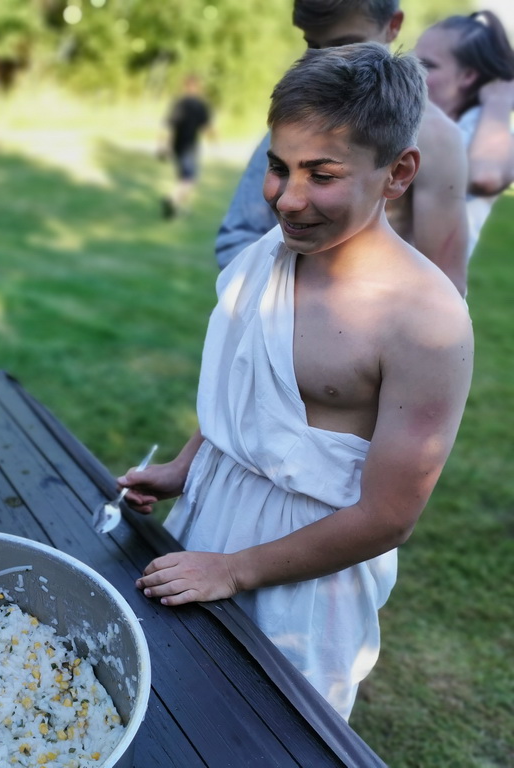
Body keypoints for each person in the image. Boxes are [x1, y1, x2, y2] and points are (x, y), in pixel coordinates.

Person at [118, 43, 473, 720]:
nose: (288, 198)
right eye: (279, 167)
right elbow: (247, 388)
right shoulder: (271, 255)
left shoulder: (426, 323)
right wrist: (187, 467)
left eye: (322, 174)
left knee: (267, 730)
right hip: (210, 519)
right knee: (171, 703)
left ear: (398, 173)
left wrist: (235, 570)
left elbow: (389, 516)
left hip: (310, 580)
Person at [213, 0, 470, 298]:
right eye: (313, 45)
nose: (326, 59)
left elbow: (447, 285)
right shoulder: (295, 122)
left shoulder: (437, 139)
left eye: (345, 44)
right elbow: (239, 234)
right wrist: (279, 309)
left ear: (393, 26)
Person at [414, 10, 514, 259]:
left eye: (427, 65)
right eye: (412, 61)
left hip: (430, 277)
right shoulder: (412, 120)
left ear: (468, 76)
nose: (413, 72)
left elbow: (485, 177)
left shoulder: (485, 129)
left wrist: (498, 102)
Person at [159, 74, 212, 219]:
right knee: (189, 180)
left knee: (182, 178)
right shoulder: (199, 105)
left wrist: (164, 145)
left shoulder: (179, 103)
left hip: (177, 146)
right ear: (197, 87)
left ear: (185, 86)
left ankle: (180, 208)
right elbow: (207, 126)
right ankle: (171, 199)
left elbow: (169, 125)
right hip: (190, 146)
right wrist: (215, 143)